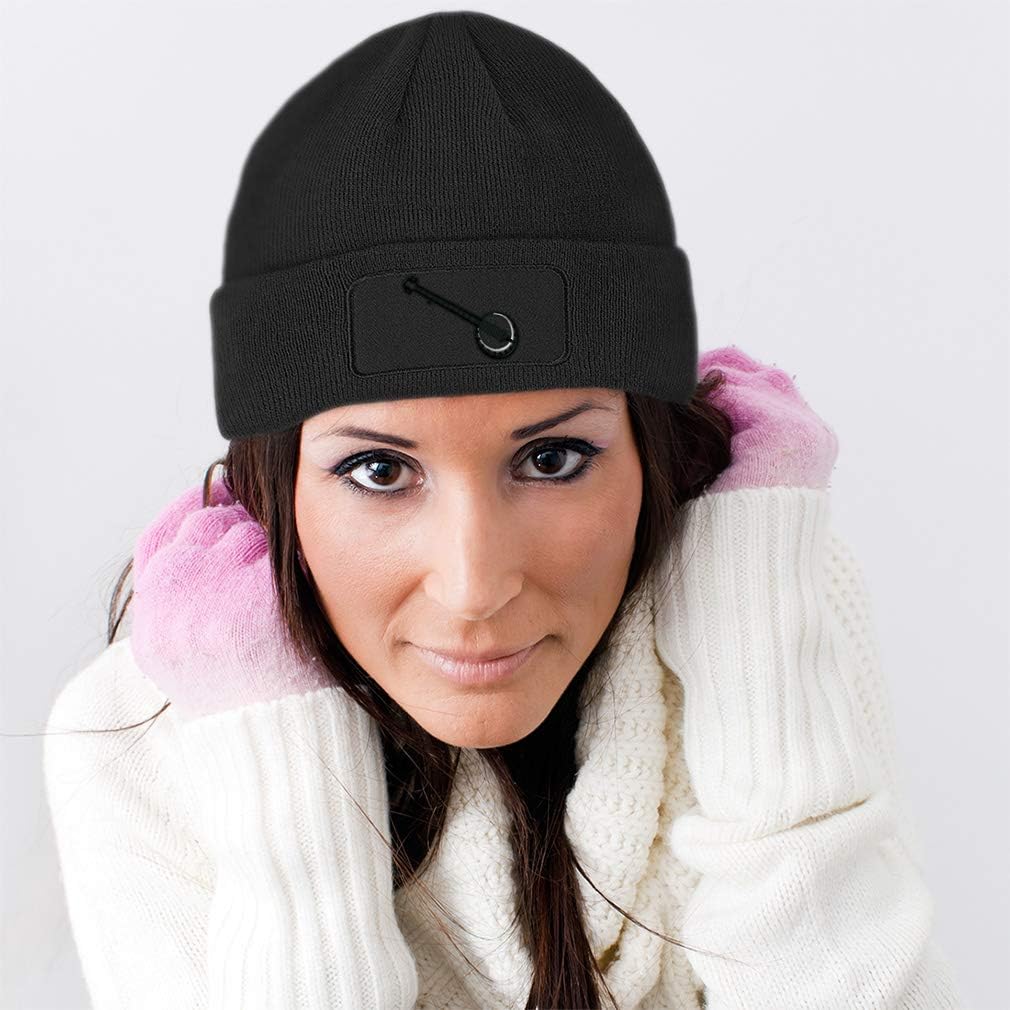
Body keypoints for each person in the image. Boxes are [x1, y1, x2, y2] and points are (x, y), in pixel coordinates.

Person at [43, 11, 964, 1010]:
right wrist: (291, 819)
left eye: (552, 458)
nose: (475, 584)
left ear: (650, 451)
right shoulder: (148, 734)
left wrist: (757, 672)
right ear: (279, 484)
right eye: (379, 471)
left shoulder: (766, 612)